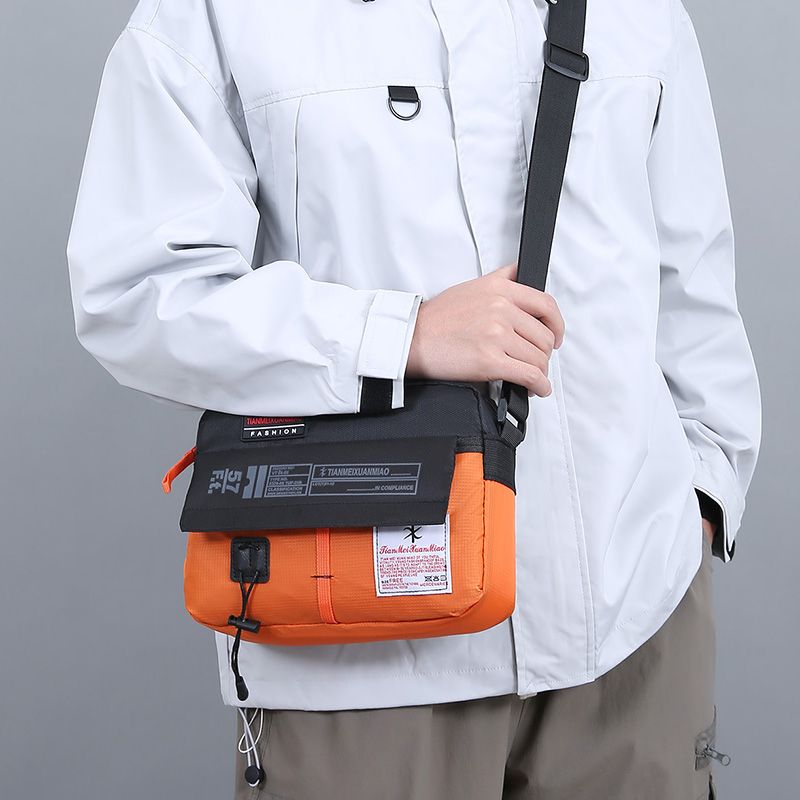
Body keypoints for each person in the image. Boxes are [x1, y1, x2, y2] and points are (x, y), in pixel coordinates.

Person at [66, 1, 761, 798]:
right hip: (362, 654)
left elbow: (693, 275)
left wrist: (705, 493)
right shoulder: (216, 13)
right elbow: (137, 293)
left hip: (636, 626)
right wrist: (403, 334)